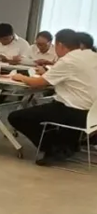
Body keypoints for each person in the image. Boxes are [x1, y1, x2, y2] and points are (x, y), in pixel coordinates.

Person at [9, 29, 97, 166]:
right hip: (92, 112)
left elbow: (38, 83)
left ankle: (54, 148)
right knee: (46, 110)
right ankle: (66, 145)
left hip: (73, 111)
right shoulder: (91, 55)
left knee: (17, 117)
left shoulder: (68, 60)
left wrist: (20, 77)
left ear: (60, 45)